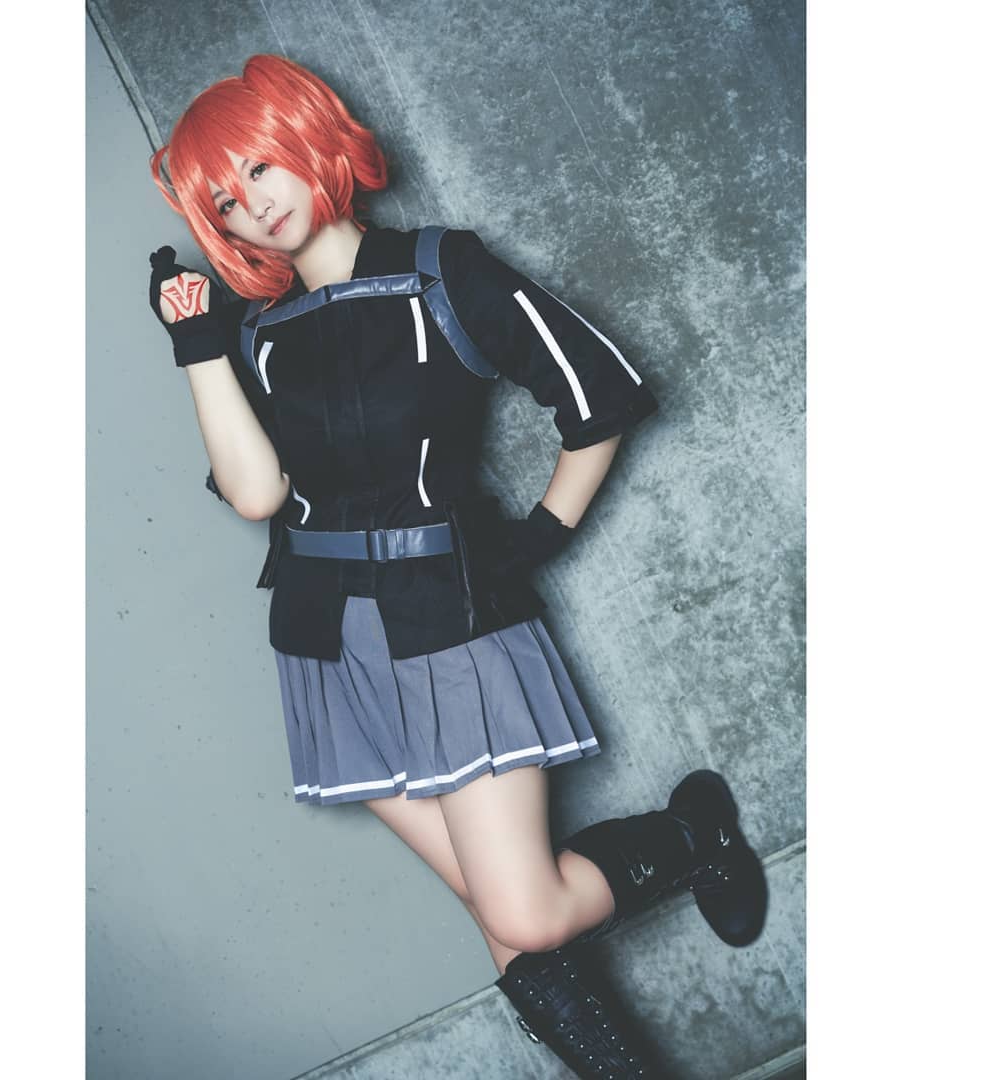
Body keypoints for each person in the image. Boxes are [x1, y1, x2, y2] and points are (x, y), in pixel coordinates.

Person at [145, 53, 767, 1080]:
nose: (252, 204)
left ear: (309, 140)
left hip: (450, 619)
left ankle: (693, 835)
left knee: (526, 911)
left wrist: (544, 533)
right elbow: (256, 495)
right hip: (323, 638)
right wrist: (200, 348)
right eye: (224, 200)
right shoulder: (257, 335)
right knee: (501, 917)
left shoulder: (442, 269)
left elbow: (597, 392)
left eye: (259, 166)